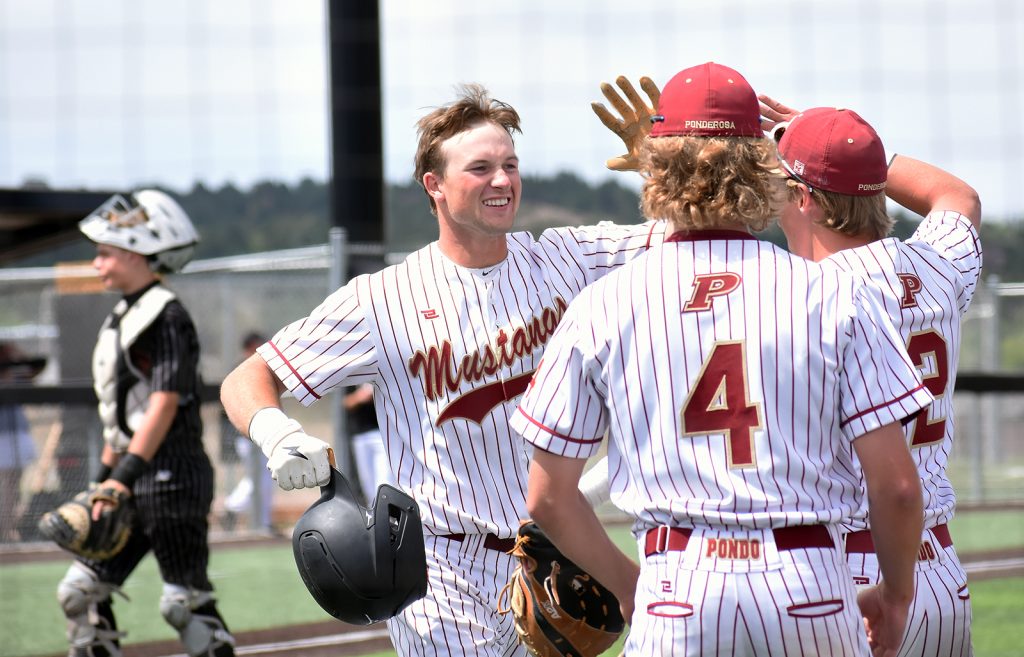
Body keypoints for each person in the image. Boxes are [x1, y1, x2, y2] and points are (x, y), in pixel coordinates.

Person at [220, 83, 666, 656]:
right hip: (443, 573)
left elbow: (691, 236)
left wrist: (662, 168)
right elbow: (247, 379)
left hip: (560, 558)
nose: (502, 180)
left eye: (510, 165)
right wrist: (276, 433)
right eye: (480, 168)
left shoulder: (564, 258)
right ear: (434, 185)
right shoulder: (381, 299)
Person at [510, 62, 932, 657]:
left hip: (677, 585)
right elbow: (899, 488)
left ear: (657, 166)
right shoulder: (833, 293)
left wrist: (631, 588)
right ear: (765, 165)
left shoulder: (606, 302)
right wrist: (895, 594)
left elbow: (547, 496)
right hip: (808, 584)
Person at [759, 98, 981, 655]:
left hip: (851, 572)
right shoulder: (938, 268)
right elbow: (958, 197)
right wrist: (846, 151)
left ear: (804, 198)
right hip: (940, 573)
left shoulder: (805, 298)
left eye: (781, 181)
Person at [55, 190, 235, 657]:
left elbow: (164, 402)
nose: (96, 263)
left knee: (182, 604)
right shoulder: (124, 315)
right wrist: (104, 482)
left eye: (105, 253)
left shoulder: (167, 314)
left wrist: (121, 478)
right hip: (132, 477)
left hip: (173, 474)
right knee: (78, 593)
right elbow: (120, 418)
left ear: (135, 253)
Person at [221, 332, 275, 533]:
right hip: (247, 435)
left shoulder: (260, 366)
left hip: (260, 433)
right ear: (250, 346)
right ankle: (234, 508)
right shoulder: (243, 368)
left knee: (264, 478)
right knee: (259, 479)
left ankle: (262, 521)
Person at [0, 342, 43, 542]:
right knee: (5, 488)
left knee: (13, 486)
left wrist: (16, 354)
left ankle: (7, 529)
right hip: (2, 437)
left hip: (16, 435)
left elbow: (39, 366)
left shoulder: (15, 376)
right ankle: (4, 530)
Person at [343, 383, 395, 504]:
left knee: (384, 483)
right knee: (368, 487)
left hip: (383, 434)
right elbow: (346, 402)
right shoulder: (351, 376)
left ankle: (387, 514)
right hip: (361, 434)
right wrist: (360, 397)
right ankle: (375, 515)